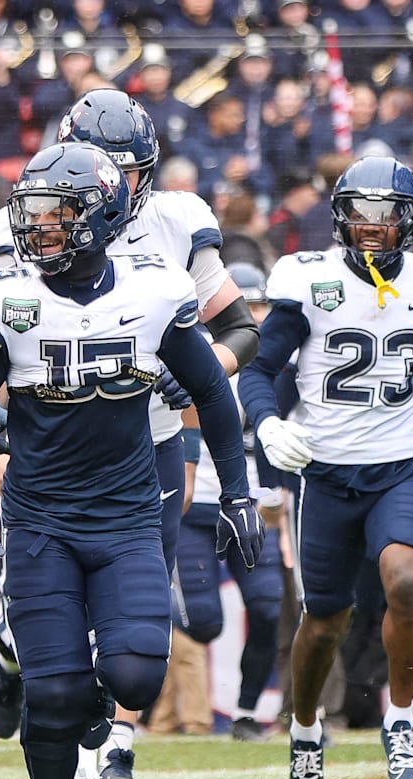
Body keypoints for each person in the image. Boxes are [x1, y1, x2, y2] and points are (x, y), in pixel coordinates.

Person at [0, 140, 264, 779]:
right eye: (33, 212)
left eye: (56, 213)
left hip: (127, 516)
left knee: (136, 677)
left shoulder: (154, 288)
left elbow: (212, 390)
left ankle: (67, 689)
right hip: (40, 519)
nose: (38, 227)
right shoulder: (8, 296)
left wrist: (238, 494)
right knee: (56, 693)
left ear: (100, 215)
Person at [238, 156, 413, 779]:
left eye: (386, 213)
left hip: (400, 465)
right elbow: (258, 369)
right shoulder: (308, 279)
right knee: (324, 622)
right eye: (361, 212)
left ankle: (399, 725)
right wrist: (267, 423)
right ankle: (305, 734)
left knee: (405, 579)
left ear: (409, 219)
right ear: (340, 217)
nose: (373, 225)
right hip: (323, 473)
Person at [173, 262, 284, 744]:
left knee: (268, 607)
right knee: (202, 623)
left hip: (252, 506)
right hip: (195, 506)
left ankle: (245, 713)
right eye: (247, 306)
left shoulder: (278, 364)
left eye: (261, 306)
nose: (254, 316)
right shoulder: (190, 353)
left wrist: (281, 489)